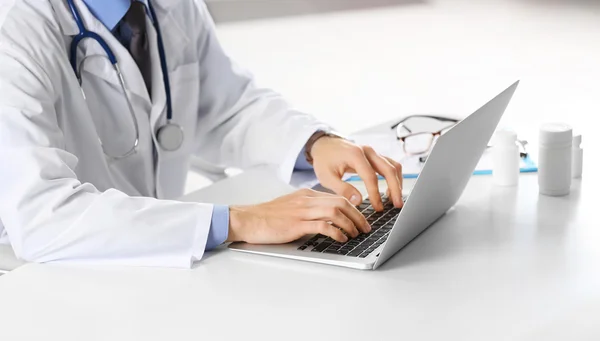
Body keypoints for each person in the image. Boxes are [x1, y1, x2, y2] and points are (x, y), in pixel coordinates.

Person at [0, 0, 403, 268]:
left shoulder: (167, 5)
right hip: (39, 273)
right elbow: (42, 217)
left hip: (146, 249)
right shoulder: (13, 24)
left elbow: (225, 106)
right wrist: (239, 221)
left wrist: (315, 144)